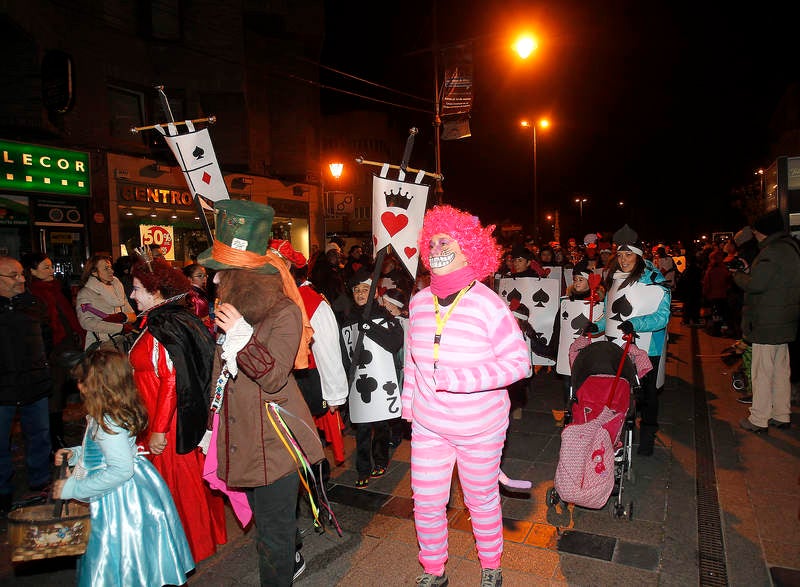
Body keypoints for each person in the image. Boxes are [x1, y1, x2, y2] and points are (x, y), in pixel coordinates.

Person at [402, 205, 530, 587]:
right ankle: (433, 569)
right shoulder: (419, 302)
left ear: (469, 250)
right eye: (433, 240)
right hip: (429, 425)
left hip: (480, 428)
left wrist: (463, 379)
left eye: (448, 240)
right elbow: (412, 360)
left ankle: (491, 564)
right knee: (425, 503)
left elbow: (518, 364)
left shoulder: (488, 304)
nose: (437, 246)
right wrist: (410, 405)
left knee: (480, 500)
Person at [198, 200, 325, 585]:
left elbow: (271, 378)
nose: (214, 280)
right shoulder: (230, 309)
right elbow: (222, 376)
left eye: (223, 273)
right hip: (242, 437)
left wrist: (242, 338)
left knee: (272, 536)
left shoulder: (284, 311)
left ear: (246, 277)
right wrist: (211, 426)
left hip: (275, 441)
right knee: (271, 525)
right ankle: (292, 550)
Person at [53, 349, 194, 587]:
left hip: (119, 501)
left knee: (119, 552)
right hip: (130, 486)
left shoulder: (109, 422)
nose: (79, 387)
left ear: (100, 386)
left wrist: (72, 489)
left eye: (83, 382)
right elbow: (102, 449)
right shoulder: (107, 415)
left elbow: (119, 470)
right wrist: (76, 453)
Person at [128, 255, 226, 562]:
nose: (131, 295)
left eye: (136, 289)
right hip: (165, 420)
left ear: (155, 292)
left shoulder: (164, 324)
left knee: (178, 490)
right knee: (183, 488)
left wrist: (158, 429)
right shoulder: (166, 320)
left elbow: (173, 378)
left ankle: (187, 547)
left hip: (168, 426)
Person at [602, 224, 671, 456]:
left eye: (628, 254)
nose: (623, 260)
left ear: (639, 255)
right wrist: (596, 326)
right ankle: (619, 430)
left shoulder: (655, 280)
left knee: (648, 392)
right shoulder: (614, 278)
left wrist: (636, 324)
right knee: (620, 390)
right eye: (619, 255)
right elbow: (610, 313)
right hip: (619, 345)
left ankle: (648, 434)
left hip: (648, 345)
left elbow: (662, 317)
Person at [734, 209, 800, 433]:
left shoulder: (771, 252)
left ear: (765, 231)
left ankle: (759, 418)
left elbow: (756, 285)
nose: (755, 235)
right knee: (782, 369)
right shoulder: (791, 248)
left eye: (756, 231)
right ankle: (782, 413)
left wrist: (737, 275)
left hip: (767, 320)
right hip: (785, 318)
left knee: (762, 370)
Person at [340, 268, 405, 488]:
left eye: (365, 289)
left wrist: (370, 327)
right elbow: (345, 351)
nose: (360, 293)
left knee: (381, 423)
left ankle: (381, 459)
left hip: (382, 381)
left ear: (374, 292)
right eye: (356, 290)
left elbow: (395, 342)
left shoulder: (385, 315)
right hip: (359, 383)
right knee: (363, 428)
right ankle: (363, 468)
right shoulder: (348, 318)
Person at [0, 256, 53, 514]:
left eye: (22, 274)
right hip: (3, 388)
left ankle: (40, 482)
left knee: (40, 435)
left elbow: (47, 337)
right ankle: (3, 492)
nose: (21, 279)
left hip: (34, 383)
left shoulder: (33, 304)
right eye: (14, 276)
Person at [22, 252, 85, 451]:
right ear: (32, 271)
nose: (51, 271)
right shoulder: (33, 294)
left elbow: (69, 319)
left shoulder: (57, 290)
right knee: (54, 398)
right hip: (52, 352)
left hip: (68, 348)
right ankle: (54, 439)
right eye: (45, 268)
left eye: (51, 266)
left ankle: (66, 435)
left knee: (70, 392)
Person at [76, 254, 136, 350]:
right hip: (102, 344)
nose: (111, 271)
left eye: (110, 267)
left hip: (123, 342)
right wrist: (119, 328)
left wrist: (124, 317)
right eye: (106, 269)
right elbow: (86, 322)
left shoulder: (118, 288)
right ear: (94, 272)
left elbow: (132, 315)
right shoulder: (86, 293)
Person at [182, 263, 214, 334]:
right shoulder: (191, 295)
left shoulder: (202, 291)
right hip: (201, 332)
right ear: (189, 279)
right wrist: (210, 316)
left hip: (207, 330)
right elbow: (192, 321)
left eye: (205, 275)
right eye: (200, 276)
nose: (204, 279)